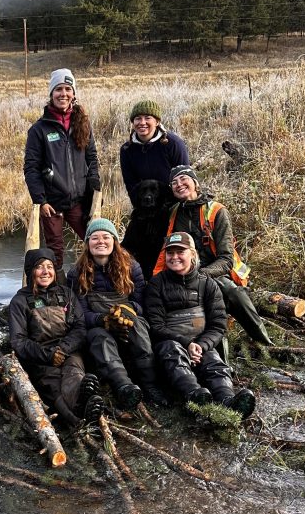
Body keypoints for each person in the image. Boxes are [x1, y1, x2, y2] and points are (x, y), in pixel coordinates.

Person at [152, 165, 274, 346]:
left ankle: (264, 341)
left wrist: (201, 276)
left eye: (183, 179)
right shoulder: (173, 213)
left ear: (195, 183)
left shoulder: (217, 211)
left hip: (214, 271)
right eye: (174, 183)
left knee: (233, 293)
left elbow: (226, 259)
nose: (179, 184)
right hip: (182, 270)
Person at [145, 233, 256, 418]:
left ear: (192, 254)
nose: (174, 257)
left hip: (201, 344)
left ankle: (228, 401)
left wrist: (201, 345)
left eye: (180, 252)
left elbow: (218, 325)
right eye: (170, 253)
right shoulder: (156, 285)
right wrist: (187, 343)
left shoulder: (208, 285)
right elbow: (156, 327)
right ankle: (195, 396)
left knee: (214, 362)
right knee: (173, 353)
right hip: (169, 344)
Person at [68, 218, 168, 408]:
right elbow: (79, 314)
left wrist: (128, 311)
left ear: (114, 241)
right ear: (88, 243)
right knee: (99, 338)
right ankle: (124, 386)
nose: (101, 242)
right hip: (98, 326)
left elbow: (142, 304)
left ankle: (150, 385)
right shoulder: (76, 273)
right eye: (95, 238)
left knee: (139, 327)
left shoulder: (132, 267)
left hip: (130, 321)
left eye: (106, 237)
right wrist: (103, 320)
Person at [9, 248, 104, 427]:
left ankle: (84, 398)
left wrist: (63, 349)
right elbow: (18, 341)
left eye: (50, 266)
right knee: (52, 385)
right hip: (39, 357)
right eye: (39, 267)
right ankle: (78, 417)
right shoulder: (19, 301)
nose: (46, 272)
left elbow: (80, 327)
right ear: (31, 271)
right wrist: (48, 355)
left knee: (74, 373)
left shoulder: (67, 294)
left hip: (68, 351)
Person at [23, 68, 101, 270]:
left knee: (94, 241)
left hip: (79, 201)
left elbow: (92, 158)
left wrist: (94, 189)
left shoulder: (83, 124)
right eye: (58, 89)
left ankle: (92, 282)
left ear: (73, 94)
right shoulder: (39, 130)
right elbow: (31, 168)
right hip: (52, 202)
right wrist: (40, 200)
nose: (63, 94)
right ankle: (57, 290)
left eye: (68, 89)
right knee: (54, 250)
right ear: (51, 94)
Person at [119, 100, 189, 202]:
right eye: (138, 118)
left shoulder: (173, 144)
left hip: (174, 204)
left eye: (148, 118)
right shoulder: (127, 150)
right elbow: (131, 186)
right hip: (146, 206)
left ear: (157, 122)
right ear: (133, 122)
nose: (142, 123)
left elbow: (185, 178)